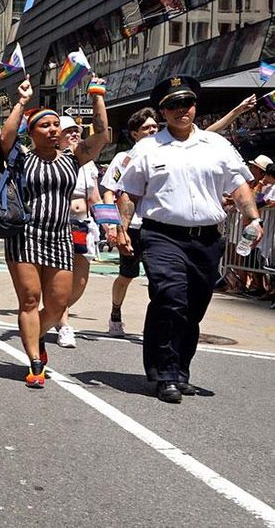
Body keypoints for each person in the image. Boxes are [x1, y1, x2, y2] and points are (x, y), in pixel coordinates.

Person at [117, 75, 261, 404]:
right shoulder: (147, 148)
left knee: (193, 308)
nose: (182, 109)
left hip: (207, 240)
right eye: (173, 105)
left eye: (187, 103)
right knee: (171, 298)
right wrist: (122, 229)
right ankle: (165, 374)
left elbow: (239, 186)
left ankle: (180, 371)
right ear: (163, 111)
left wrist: (253, 218)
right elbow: (129, 193)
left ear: (195, 106)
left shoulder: (218, 146)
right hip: (162, 235)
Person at [0, 76, 107, 388]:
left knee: (60, 304)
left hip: (59, 237)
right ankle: (34, 360)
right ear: (32, 133)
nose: (51, 130)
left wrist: (97, 95)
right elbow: (6, 139)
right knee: (30, 299)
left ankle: (38, 335)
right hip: (25, 236)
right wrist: (21, 102)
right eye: (43, 126)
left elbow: (101, 134)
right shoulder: (21, 158)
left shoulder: (72, 160)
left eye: (54, 125)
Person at [100, 107, 159, 336]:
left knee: (159, 279)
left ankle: (157, 326)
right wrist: (112, 227)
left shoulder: (168, 153)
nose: (152, 130)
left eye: (155, 126)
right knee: (127, 276)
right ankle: (116, 313)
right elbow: (108, 192)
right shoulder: (123, 160)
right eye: (146, 128)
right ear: (135, 134)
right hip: (131, 228)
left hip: (157, 227)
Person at [53, 116, 101, 349]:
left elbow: (96, 198)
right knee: (61, 277)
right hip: (59, 225)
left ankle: (51, 312)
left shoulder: (89, 163)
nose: (73, 134)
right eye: (68, 131)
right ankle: (63, 325)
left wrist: (112, 225)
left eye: (76, 131)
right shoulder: (53, 160)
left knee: (80, 281)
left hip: (83, 226)